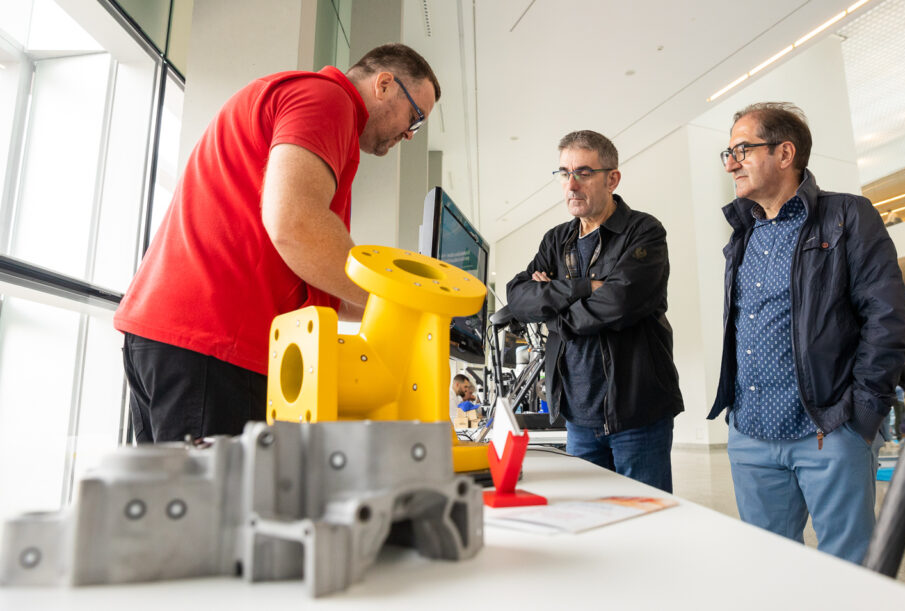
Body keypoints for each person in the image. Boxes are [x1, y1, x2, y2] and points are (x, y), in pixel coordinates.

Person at [114, 44, 440, 442]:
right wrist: (396, 299)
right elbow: (296, 225)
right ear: (384, 84)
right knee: (219, 487)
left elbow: (313, 268)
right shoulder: (327, 99)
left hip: (177, 338)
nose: (409, 133)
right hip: (213, 346)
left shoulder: (311, 103)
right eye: (415, 117)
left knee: (179, 485)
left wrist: (406, 315)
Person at [707, 102, 905, 564]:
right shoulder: (743, 234)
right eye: (728, 153)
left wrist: (860, 416)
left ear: (785, 153)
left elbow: (887, 320)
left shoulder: (847, 215)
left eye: (742, 150)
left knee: (849, 568)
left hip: (827, 429)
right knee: (770, 567)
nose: (731, 163)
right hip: (750, 432)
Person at [506, 130, 683, 492]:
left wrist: (553, 312)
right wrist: (584, 287)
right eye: (564, 173)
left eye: (584, 173)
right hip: (579, 416)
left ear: (612, 179)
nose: (571, 185)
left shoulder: (644, 232)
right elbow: (519, 297)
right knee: (587, 513)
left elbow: (618, 303)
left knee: (645, 513)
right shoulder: (556, 240)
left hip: (637, 411)